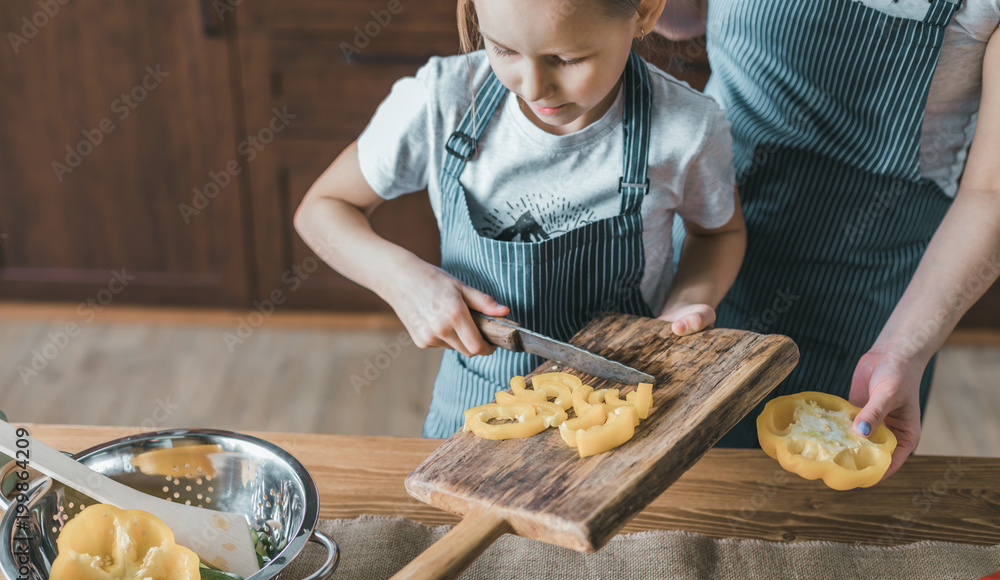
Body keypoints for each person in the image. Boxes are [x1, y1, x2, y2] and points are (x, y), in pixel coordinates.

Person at [295, 0, 747, 438]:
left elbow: (717, 235)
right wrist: (403, 281)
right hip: (475, 409)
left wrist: (685, 304)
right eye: (504, 50)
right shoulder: (440, 100)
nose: (533, 88)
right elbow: (323, 210)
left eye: (566, 59)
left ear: (645, 12)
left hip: (615, 412)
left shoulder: (688, 129)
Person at [656, 0, 1000, 476]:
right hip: (701, 260)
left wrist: (901, 350)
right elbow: (673, 15)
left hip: (876, 311)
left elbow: (992, 191)